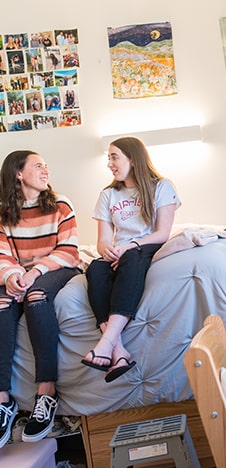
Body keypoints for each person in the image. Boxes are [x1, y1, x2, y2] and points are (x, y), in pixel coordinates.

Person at [81, 136, 180, 383]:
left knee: (132, 259)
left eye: (114, 157)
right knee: (95, 269)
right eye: (109, 158)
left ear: (133, 159)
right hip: (121, 252)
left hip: (145, 248)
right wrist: (109, 251)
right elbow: (103, 240)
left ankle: (106, 343)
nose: (109, 164)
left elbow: (162, 234)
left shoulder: (162, 187)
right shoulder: (108, 195)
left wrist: (128, 247)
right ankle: (117, 350)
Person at [0, 150, 81, 446]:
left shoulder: (61, 205)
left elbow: (69, 251)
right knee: (2, 303)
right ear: (19, 174)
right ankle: (3, 401)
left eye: (46, 165)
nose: (45, 170)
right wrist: (10, 276)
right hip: (19, 273)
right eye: (38, 166)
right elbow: (2, 255)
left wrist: (32, 274)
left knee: (35, 297)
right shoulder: (3, 212)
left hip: (57, 269)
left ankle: (46, 393)